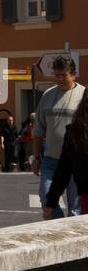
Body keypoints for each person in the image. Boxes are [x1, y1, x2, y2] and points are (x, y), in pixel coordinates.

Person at [33, 56, 85, 217]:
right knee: (46, 198)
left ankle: (74, 240)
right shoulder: (48, 95)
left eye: (64, 75)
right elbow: (38, 130)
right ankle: (58, 226)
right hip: (50, 160)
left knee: (76, 210)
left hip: (77, 161)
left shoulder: (84, 95)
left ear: (73, 74)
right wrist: (36, 157)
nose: (60, 79)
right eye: (57, 75)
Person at [43, 89, 88, 219]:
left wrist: (50, 203)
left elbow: (63, 170)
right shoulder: (74, 133)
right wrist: (51, 203)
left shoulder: (75, 133)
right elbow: (64, 169)